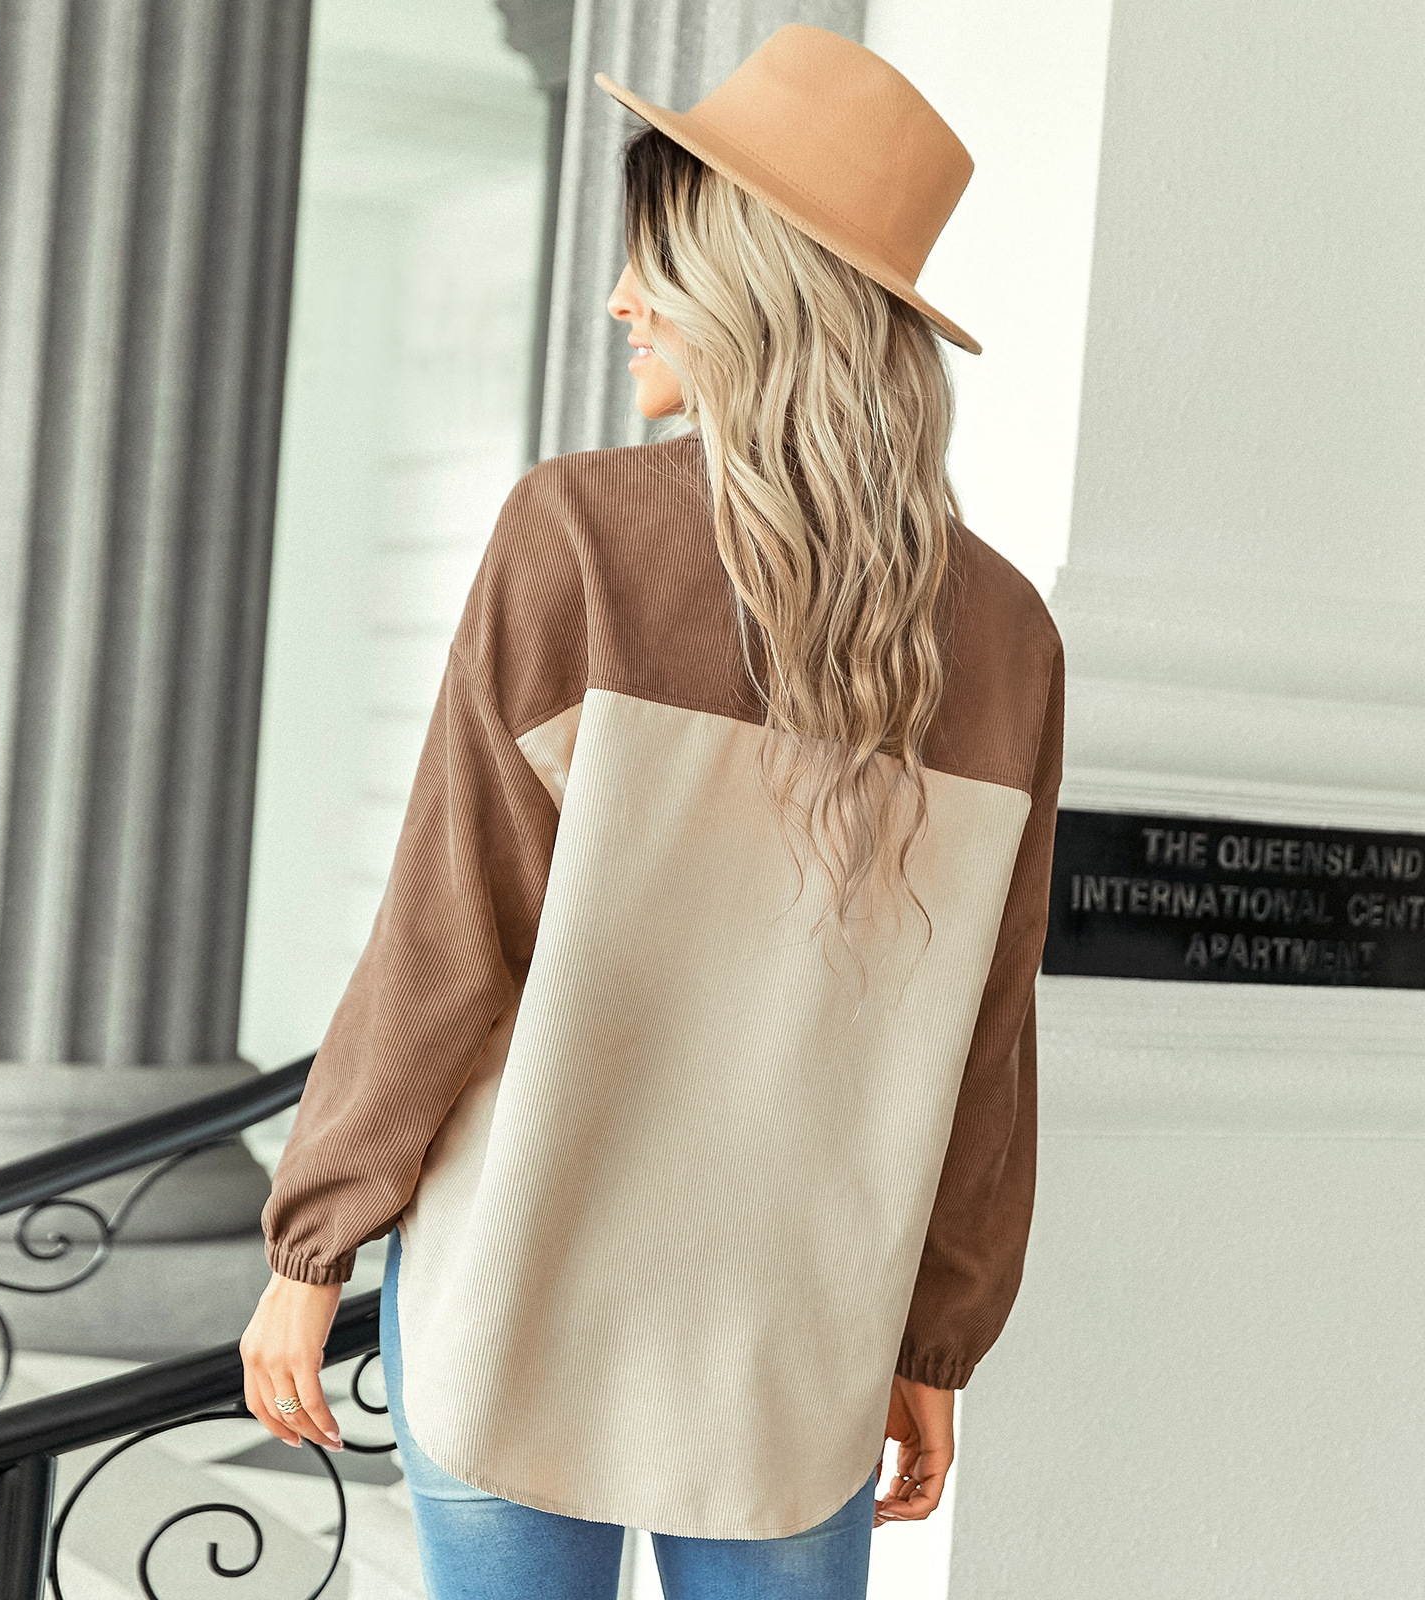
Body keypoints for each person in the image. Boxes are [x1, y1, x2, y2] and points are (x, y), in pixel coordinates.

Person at [239, 23, 1063, 1600]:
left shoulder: (576, 536)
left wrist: (314, 1241)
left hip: (519, 1276)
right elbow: (989, 1033)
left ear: (754, 286)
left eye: (656, 261)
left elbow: (448, 930)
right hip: (795, 1330)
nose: (622, 298)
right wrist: (935, 1332)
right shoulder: (1010, 637)